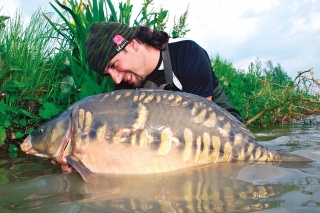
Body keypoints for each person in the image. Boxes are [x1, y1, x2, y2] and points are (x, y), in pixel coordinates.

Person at [85, 22, 243, 122]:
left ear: (132, 44)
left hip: (218, 123)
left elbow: (202, 121)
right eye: (108, 74)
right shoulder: (124, 86)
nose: (116, 80)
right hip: (169, 133)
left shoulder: (187, 52)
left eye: (114, 65)